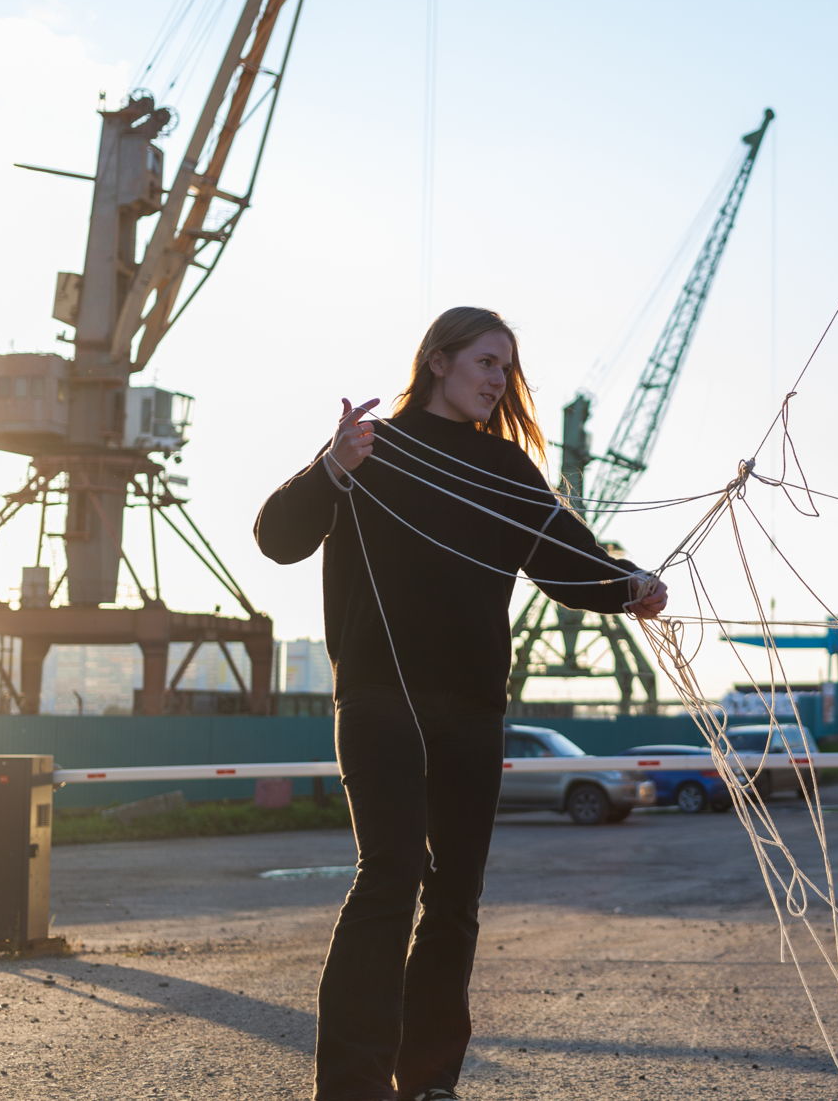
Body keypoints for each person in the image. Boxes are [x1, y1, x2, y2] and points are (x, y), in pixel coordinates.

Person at [256, 306, 669, 1101]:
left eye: (506, 369)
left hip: (474, 708)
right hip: (381, 700)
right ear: (439, 360)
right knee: (390, 876)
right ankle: (352, 1086)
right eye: (486, 361)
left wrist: (631, 587)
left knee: (455, 899)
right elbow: (277, 536)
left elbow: (569, 562)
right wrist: (331, 467)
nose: (497, 379)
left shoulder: (507, 470)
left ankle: (430, 1080)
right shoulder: (372, 447)